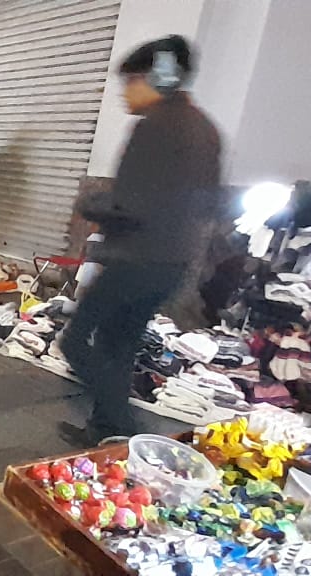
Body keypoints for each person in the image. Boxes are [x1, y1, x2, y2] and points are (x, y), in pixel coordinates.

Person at [59, 36, 222, 447]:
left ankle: (125, 426)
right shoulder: (204, 129)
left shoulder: (154, 128)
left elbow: (128, 204)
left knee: (77, 341)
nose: (124, 93)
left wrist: (91, 203)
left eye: (130, 82)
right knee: (120, 343)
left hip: (135, 261)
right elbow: (206, 202)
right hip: (173, 263)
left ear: (156, 78)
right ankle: (105, 429)